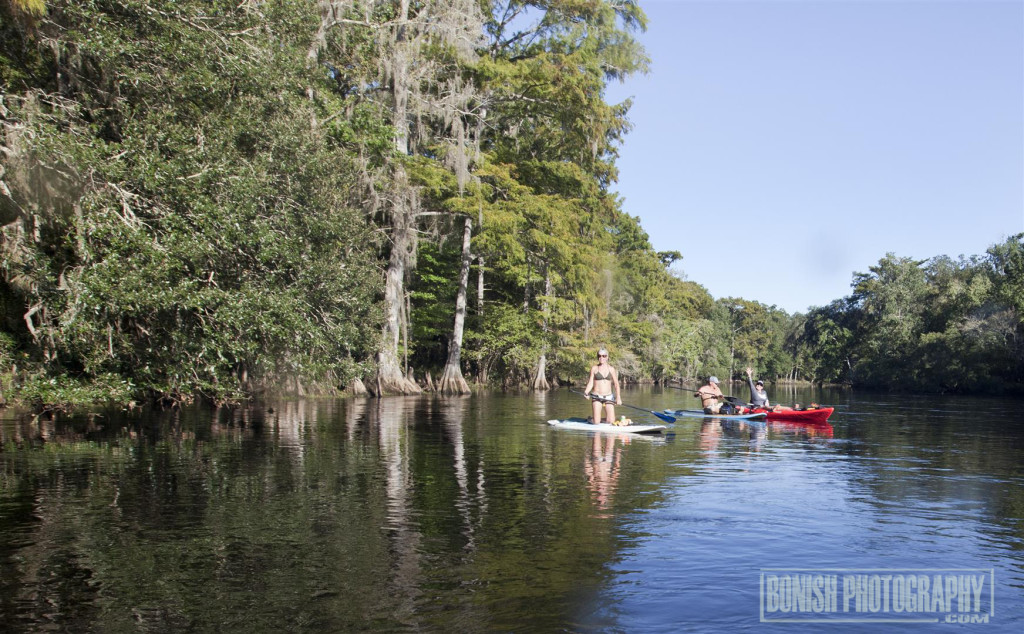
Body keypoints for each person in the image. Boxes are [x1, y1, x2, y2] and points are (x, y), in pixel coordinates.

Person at [584, 348, 622, 424]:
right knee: (596, 422)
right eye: (599, 356)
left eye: (604, 356)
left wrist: (618, 397)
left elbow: (616, 384)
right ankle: (591, 419)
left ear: (607, 357)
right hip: (597, 397)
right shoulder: (594, 368)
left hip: (608, 397)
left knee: (611, 421)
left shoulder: (611, 369)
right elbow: (591, 382)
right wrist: (586, 392)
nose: (601, 358)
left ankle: (601, 419)